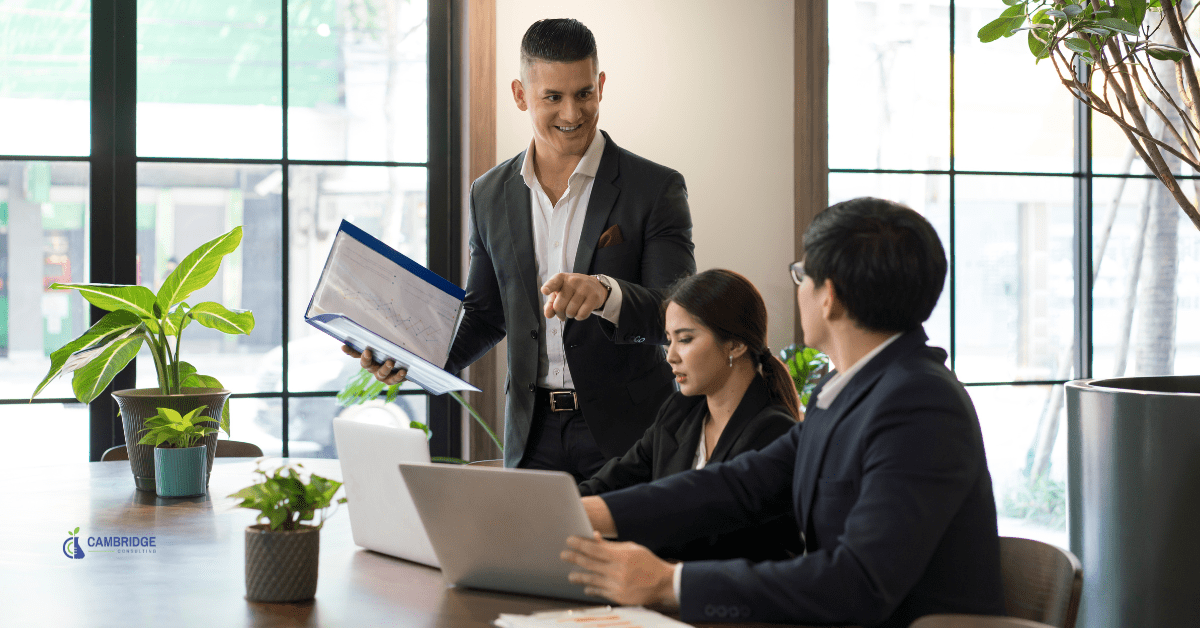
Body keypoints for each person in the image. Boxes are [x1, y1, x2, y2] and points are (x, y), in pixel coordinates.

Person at [560, 198, 1006, 628]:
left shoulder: (920, 404)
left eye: (801, 276)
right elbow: (741, 484)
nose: (799, 291)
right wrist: (589, 510)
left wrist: (669, 583)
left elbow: (860, 582)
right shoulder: (847, 389)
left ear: (828, 296)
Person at [346, 18, 694, 480]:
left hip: (628, 435)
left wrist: (606, 295)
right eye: (553, 97)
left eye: (584, 93)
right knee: (529, 556)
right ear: (520, 95)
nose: (572, 112)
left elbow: (677, 315)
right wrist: (410, 357)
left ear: (601, 86)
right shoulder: (488, 193)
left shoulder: (655, 188)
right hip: (532, 435)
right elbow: (487, 314)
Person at [577, 269, 802, 562]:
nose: (670, 355)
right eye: (669, 340)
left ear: (735, 344)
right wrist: (559, 508)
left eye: (684, 340)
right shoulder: (678, 412)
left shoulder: (773, 430)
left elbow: (705, 530)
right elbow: (614, 480)